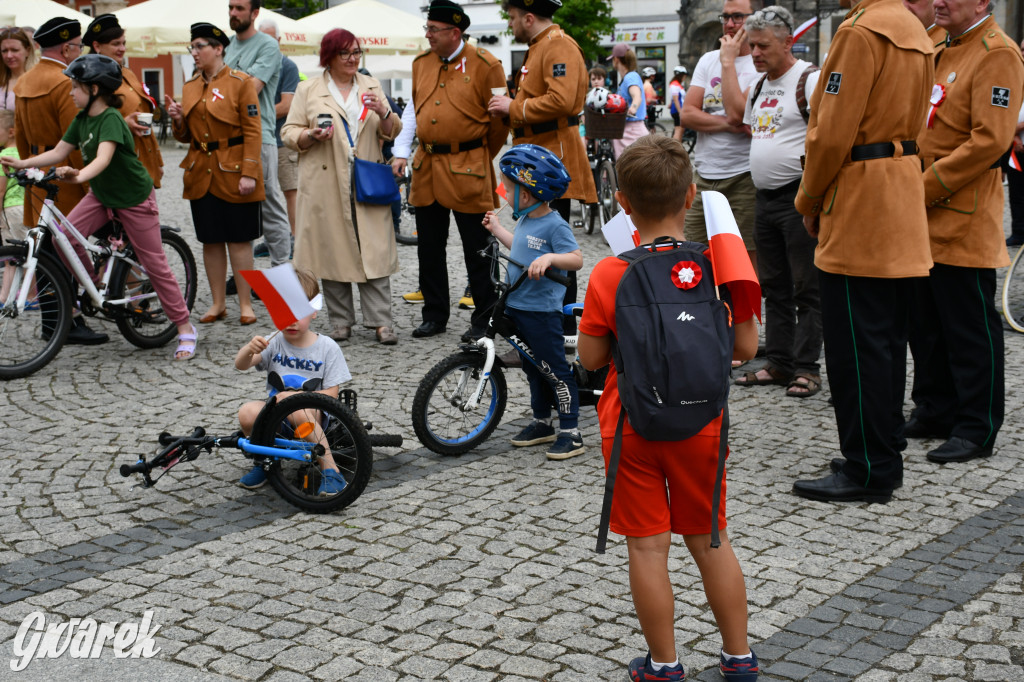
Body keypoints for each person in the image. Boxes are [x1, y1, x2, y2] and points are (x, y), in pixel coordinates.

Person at [577, 135, 759, 682]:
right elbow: (747, 349)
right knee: (711, 538)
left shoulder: (610, 272)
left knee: (648, 549)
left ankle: (663, 664)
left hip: (632, 426)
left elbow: (589, 358)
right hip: (703, 424)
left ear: (623, 204)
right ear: (691, 198)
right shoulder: (716, 266)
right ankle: (738, 657)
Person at [791, 0, 934, 502]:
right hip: (899, 188)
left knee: (856, 347)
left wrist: (808, 198)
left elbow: (831, 134)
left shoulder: (861, 31)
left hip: (860, 196)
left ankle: (868, 467)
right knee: (887, 341)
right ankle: (883, 447)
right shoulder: (914, 29)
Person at [1, 53, 197, 360]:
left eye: (75, 87)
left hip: (133, 198)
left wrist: (77, 174)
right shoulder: (81, 120)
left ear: (94, 89)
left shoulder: (111, 119)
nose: (70, 92)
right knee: (61, 236)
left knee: (155, 264)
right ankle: (94, 288)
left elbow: (103, 160)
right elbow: (59, 151)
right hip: (102, 195)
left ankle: (184, 327)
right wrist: (23, 162)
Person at [907, 0, 1023, 464]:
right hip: (921, 211)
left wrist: (923, 187)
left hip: (961, 212)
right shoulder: (940, 43)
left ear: (982, 2)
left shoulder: (997, 52)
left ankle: (977, 426)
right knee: (926, 322)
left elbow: (989, 140)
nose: (938, 1)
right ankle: (934, 409)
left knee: (969, 327)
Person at [391, 0, 508, 341]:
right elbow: (414, 109)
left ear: (454, 32)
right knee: (429, 246)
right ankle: (435, 314)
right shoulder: (421, 64)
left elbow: (500, 121)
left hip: (469, 167)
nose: (427, 35)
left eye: (433, 30)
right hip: (427, 167)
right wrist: (402, 150)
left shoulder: (487, 64)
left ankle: (485, 318)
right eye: (426, 28)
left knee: (478, 246)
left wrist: (479, 155)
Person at [281, 29, 402, 345]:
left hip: (366, 177)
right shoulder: (309, 89)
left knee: (374, 249)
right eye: (345, 53)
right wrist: (310, 135)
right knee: (332, 250)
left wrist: (383, 112)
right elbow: (289, 133)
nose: (352, 59)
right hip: (325, 181)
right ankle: (341, 322)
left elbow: (392, 130)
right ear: (329, 57)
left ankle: (381, 322)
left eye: (356, 52)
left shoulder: (371, 85)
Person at [489, 0, 597, 338]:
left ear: (529, 17)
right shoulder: (540, 46)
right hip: (539, 154)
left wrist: (514, 106)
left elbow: (562, 101)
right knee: (535, 238)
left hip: (552, 159)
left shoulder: (557, 45)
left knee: (556, 245)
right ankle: (539, 320)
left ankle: (562, 325)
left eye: (512, 17)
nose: (511, 23)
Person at [733, 7, 823, 397]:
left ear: (788, 42)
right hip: (765, 197)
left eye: (763, 45)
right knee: (774, 285)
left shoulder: (810, 79)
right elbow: (753, 128)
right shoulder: (758, 85)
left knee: (808, 286)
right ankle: (781, 362)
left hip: (798, 196)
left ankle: (807, 367)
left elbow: (826, 136)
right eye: (752, 46)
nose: (755, 53)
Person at [482, 144, 585, 459]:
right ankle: (542, 422)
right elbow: (523, 249)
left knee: (554, 370)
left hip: (541, 314)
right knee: (532, 367)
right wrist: (499, 230)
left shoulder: (555, 225)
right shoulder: (525, 218)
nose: (503, 192)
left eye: (508, 188)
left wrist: (551, 258)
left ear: (525, 195)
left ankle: (571, 430)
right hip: (518, 305)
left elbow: (577, 259)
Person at [15, 16, 107, 345]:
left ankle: (52, 322)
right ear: (67, 48)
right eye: (77, 47)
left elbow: (22, 137)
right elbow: (81, 140)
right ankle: (71, 320)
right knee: (67, 247)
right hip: (65, 171)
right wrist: (89, 183)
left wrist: (29, 166)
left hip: (38, 169)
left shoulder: (25, 81)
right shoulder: (63, 82)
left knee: (43, 253)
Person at [166, 22, 264, 327]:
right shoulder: (190, 85)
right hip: (201, 172)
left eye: (199, 47)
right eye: (191, 47)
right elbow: (186, 137)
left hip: (234, 171)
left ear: (218, 48)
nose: (194, 53)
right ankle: (219, 302)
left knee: (239, 240)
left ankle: (246, 304)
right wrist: (178, 121)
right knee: (210, 240)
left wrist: (249, 172)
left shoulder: (241, 82)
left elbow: (253, 131)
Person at [234, 268, 349, 495]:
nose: (291, 320)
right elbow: (241, 365)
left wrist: (294, 399)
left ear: (314, 312)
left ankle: (331, 471)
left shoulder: (327, 347)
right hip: (274, 414)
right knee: (247, 412)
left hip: (313, 415)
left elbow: (332, 396)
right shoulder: (274, 341)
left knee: (297, 410)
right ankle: (265, 462)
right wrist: (249, 349)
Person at [680, 0, 762, 272]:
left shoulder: (758, 65)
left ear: (754, 19)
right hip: (703, 175)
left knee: (744, 259)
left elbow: (739, 114)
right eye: (725, 17)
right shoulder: (707, 60)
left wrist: (728, 62)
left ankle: (745, 315)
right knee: (693, 254)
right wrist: (728, 125)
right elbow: (687, 114)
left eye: (738, 17)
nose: (729, 24)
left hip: (744, 176)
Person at [225, 0, 291, 269]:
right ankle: (243, 277)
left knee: (270, 206)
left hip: (260, 136)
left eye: (239, 8)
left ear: (254, 13)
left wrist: (224, 86)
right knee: (239, 209)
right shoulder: (226, 45)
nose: (233, 13)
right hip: (230, 137)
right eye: (230, 7)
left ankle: (282, 270)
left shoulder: (267, 45)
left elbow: (249, 88)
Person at [84, 14, 163, 187]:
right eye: (115, 44)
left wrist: (157, 160)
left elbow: (144, 113)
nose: (122, 49)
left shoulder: (128, 74)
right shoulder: (90, 81)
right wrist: (123, 124)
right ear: (97, 46)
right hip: (118, 165)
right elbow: (86, 127)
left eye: (123, 43)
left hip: (142, 161)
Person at [259, 19, 300, 240]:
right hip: (261, 139)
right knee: (264, 194)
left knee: (290, 191)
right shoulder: (256, 66)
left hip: (283, 140)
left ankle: (295, 238)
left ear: (279, 40)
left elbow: (286, 106)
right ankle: (272, 238)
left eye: (270, 39)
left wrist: (253, 116)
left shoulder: (288, 66)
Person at [607, 44, 649, 158]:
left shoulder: (630, 77)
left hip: (631, 131)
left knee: (625, 168)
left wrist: (633, 107)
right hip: (632, 129)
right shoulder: (630, 77)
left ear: (616, 59)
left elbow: (637, 95)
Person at [0, 108, 24, 241]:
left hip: (10, 210)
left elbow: (0, 191)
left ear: (11, 132)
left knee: (12, 256)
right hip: (27, 208)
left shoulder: (3, 157)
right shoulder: (25, 155)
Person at [1, 27, 36, 110]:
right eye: (4, 51)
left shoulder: (36, 80)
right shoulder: (2, 80)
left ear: (27, 50)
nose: (9, 55)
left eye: (14, 50)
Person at [668, 65, 688, 142]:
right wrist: (680, 112)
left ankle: (677, 148)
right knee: (678, 130)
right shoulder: (675, 84)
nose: (685, 77)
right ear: (681, 75)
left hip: (677, 109)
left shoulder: (677, 84)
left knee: (680, 130)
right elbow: (676, 99)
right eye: (684, 75)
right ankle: (675, 149)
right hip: (677, 110)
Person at [641, 65, 659, 131]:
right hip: (649, 109)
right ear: (650, 76)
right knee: (652, 129)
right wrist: (657, 101)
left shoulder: (644, 84)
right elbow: (648, 100)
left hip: (646, 109)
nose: (654, 77)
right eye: (653, 75)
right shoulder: (648, 85)